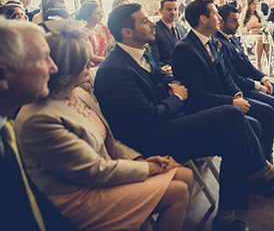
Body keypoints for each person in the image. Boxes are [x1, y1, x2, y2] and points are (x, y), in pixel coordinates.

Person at [94, 3, 274, 231]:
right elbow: (148, 119)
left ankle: (225, 218)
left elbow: (164, 80)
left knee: (236, 139)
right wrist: (175, 98)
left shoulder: (139, 54)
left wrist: (172, 88)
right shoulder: (114, 70)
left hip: (169, 122)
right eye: (144, 21)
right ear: (127, 32)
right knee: (234, 112)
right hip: (151, 140)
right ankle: (265, 171)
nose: (152, 23)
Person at [15, 21, 192, 231]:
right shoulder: (40, 118)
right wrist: (150, 168)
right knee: (178, 191)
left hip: (102, 173)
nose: (91, 65)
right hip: (75, 197)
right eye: (84, 63)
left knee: (185, 175)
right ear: (64, 70)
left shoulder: (78, 93)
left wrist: (139, 159)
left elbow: (109, 139)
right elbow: (95, 171)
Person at [172, 0, 274, 160]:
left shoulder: (212, 42)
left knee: (268, 111)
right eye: (215, 14)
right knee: (255, 123)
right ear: (203, 19)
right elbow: (197, 95)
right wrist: (231, 102)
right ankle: (261, 168)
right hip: (206, 107)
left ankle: (263, 162)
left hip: (226, 98)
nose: (219, 18)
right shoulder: (185, 49)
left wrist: (237, 94)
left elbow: (226, 75)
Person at [0, 19, 80, 231]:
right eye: (44, 59)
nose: (54, 68)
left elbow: (33, 201)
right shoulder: (34, 118)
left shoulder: (5, 125)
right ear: (3, 74)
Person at [214, 4, 274, 148]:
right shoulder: (218, 42)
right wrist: (258, 86)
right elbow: (232, 76)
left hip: (250, 81)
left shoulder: (231, 38)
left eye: (238, 20)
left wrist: (264, 79)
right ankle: (265, 146)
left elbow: (247, 64)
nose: (238, 24)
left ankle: (268, 134)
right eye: (233, 21)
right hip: (241, 87)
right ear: (221, 22)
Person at [151, 0, 187, 69]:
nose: (173, 12)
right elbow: (154, 59)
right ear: (161, 11)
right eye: (169, 9)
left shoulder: (181, 28)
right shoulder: (154, 30)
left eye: (175, 9)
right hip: (168, 72)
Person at [76, 1, 113, 67]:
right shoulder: (83, 33)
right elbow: (91, 57)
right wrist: (110, 60)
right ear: (88, 16)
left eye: (101, 12)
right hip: (94, 66)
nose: (101, 15)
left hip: (108, 62)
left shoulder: (105, 29)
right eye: (97, 13)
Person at [240, 0, 267, 71]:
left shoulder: (259, 14)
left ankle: (268, 61)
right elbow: (240, 30)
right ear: (249, 5)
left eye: (256, 4)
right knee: (260, 39)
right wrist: (250, 27)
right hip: (248, 35)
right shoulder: (243, 15)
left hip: (259, 33)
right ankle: (258, 63)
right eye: (253, 4)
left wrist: (260, 25)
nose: (255, 6)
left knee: (265, 39)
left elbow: (265, 26)